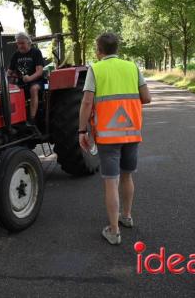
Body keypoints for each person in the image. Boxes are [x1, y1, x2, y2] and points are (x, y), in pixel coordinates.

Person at [78, 33, 152, 245]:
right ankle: (126, 217)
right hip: (131, 132)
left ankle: (114, 231)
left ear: (98, 50)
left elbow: (86, 102)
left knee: (111, 181)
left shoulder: (96, 68)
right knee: (127, 176)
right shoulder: (132, 67)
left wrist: (81, 131)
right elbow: (146, 98)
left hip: (108, 136)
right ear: (116, 48)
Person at [7, 32, 44, 124]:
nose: (20, 46)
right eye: (18, 43)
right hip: (21, 82)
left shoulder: (36, 52)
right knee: (12, 91)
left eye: (22, 43)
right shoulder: (16, 55)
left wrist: (30, 78)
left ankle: (32, 118)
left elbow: (39, 72)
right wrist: (3, 79)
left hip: (37, 81)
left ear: (28, 42)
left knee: (33, 89)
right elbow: (9, 71)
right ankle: (17, 118)